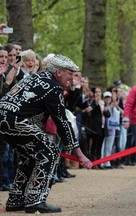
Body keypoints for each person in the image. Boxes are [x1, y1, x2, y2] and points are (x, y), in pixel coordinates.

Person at [0, 54, 92, 213]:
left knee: (28, 156)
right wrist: (80, 153)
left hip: (4, 117)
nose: (72, 78)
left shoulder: (36, 77)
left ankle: (16, 199)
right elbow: (62, 121)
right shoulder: (53, 87)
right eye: (69, 73)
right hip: (15, 120)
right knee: (49, 151)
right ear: (58, 72)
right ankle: (36, 200)